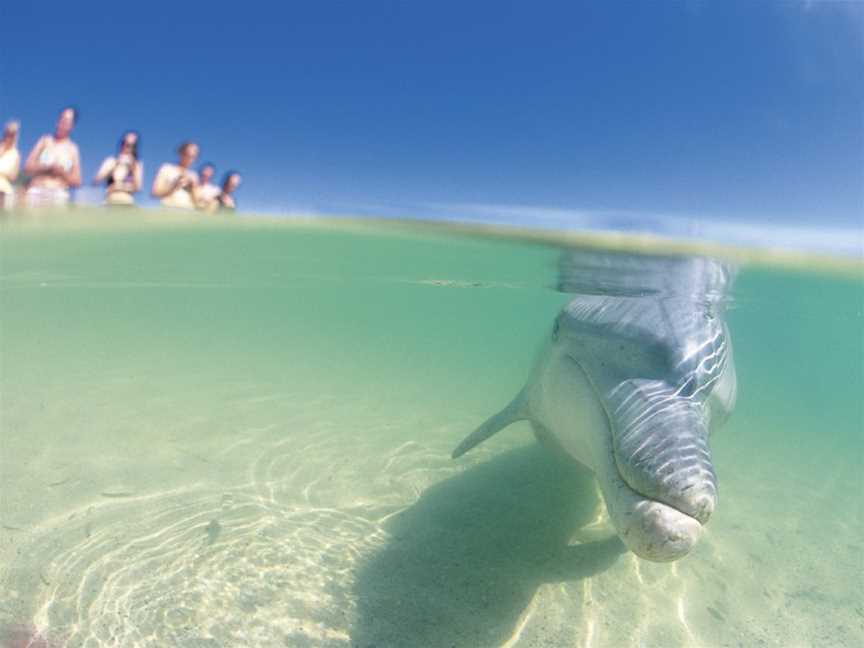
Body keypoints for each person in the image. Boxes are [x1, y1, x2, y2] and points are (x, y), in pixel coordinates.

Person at [23, 106, 82, 208]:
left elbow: (77, 181)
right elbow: (27, 167)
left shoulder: (73, 149)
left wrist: (62, 173)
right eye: (61, 119)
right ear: (57, 121)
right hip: (36, 192)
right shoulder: (44, 140)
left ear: (72, 126)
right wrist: (47, 167)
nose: (63, 123)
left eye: (67, 121)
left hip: (58, 196)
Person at [93, 130, 143, 206]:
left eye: (133, 145)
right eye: (126, 144)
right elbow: (96, 180)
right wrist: (114, 165)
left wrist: (132, 169)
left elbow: (138, 187)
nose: (128, 148)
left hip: (127, 203)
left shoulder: (136, 165)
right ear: (122, 144)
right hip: (110, 201)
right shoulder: (111, 161)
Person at [151, 141, 199, 210]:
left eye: (193, 156)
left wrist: (193, 188)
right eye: (187, 154)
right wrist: (173, 187)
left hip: (188, 213)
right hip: (168, 210)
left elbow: (197, 203)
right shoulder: (166, 168)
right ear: (180, 153)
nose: (190, 158)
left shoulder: (194, 175)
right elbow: (154, 193)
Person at [0, 120, 21, 210]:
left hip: (4, 190)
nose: (9, 137)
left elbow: (13, 176)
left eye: (13, 134)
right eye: (8, 133)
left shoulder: (16, 154)